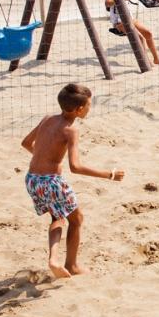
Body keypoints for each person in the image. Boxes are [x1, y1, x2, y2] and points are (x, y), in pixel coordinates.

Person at [21, 83, 124, 278]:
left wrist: (43, 158)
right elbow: (75, 167)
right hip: (51, 182)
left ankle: (53, 258)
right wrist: (109, 175)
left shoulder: (47, 119)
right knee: (76, 219)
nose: (89, 109)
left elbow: (26, 143)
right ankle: (72, 265)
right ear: (78, 110)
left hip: (32, 179)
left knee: (57, 217)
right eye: (88, 106)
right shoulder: (71, 130)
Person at [106, 0, 159, 65]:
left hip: (130, 19)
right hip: (119, 23)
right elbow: (108, 3)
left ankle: (156, 59)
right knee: (139, 38)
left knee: (148, 33)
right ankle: (145, 60)